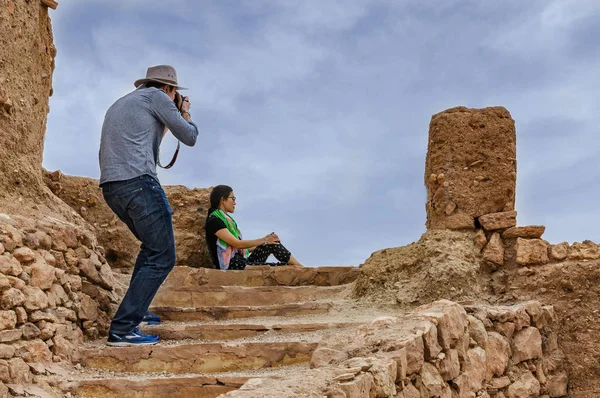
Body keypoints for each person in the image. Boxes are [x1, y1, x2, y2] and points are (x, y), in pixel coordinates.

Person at [99, 65, 199, 346]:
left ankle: (136, 313)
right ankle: (122, 329)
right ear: (168, 89)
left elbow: (150, 142)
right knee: (164, 255)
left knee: (152, 249)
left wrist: (169, 117)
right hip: (139, 183)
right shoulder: (158, 98)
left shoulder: (124, 102)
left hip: (112, 188)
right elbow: (190, 136)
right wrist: (184, 113)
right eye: (175, 92)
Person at [205, 185, 303, 270]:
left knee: (273, 244)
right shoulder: (214, 221)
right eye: (233, 199)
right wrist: (264, 239)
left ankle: (301, 267)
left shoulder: (228, 221)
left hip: (241, 261)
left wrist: (267, 241)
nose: (235, 203)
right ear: (223, 200)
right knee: (276, 267)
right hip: (232, 265)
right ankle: (301, 269)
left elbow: (243, 249)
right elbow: (237, 244)